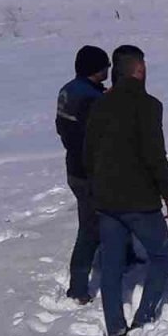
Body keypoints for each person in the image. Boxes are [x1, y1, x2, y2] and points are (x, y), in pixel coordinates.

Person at [84, 45, 168, 336]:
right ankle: (144, 317)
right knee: (162, 255)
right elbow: (155, 155)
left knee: (111, 265)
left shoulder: (99, 104)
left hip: (107, 199)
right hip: (140, 201)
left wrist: (96, 186)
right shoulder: (149, 106)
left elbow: (88, 153)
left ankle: (114, 325)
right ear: (139, 70)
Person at [56, 46, 110, 304]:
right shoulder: (91, 100)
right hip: (90, 172)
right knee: (89, 229)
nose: (108, 69)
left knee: (95, 222)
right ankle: (78, 288)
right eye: (105, 66)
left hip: (74, 168)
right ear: (95, 69)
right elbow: (100, 138)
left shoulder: (69, 90)